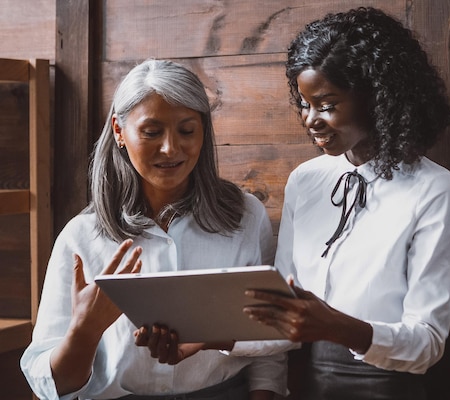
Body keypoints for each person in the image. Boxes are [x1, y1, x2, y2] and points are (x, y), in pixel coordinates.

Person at [21, 59, 288, 400]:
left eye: (187, 130)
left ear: (203, 131)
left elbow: (269, 341)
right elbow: (50, 387)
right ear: (119, 130)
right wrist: (85, 330)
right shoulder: (82, 237)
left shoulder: (245, 217)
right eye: (151, 132)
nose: (170, 148)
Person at [243, 7, 450, 400]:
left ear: (377, 98)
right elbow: (281, 314)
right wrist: (202, 343)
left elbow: (427, 344)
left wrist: (334, 327)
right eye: (305, 104)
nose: (311, 120)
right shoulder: (305, 181)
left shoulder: (433, 190)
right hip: (310, 382)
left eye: (327, 104)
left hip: (393, 386)